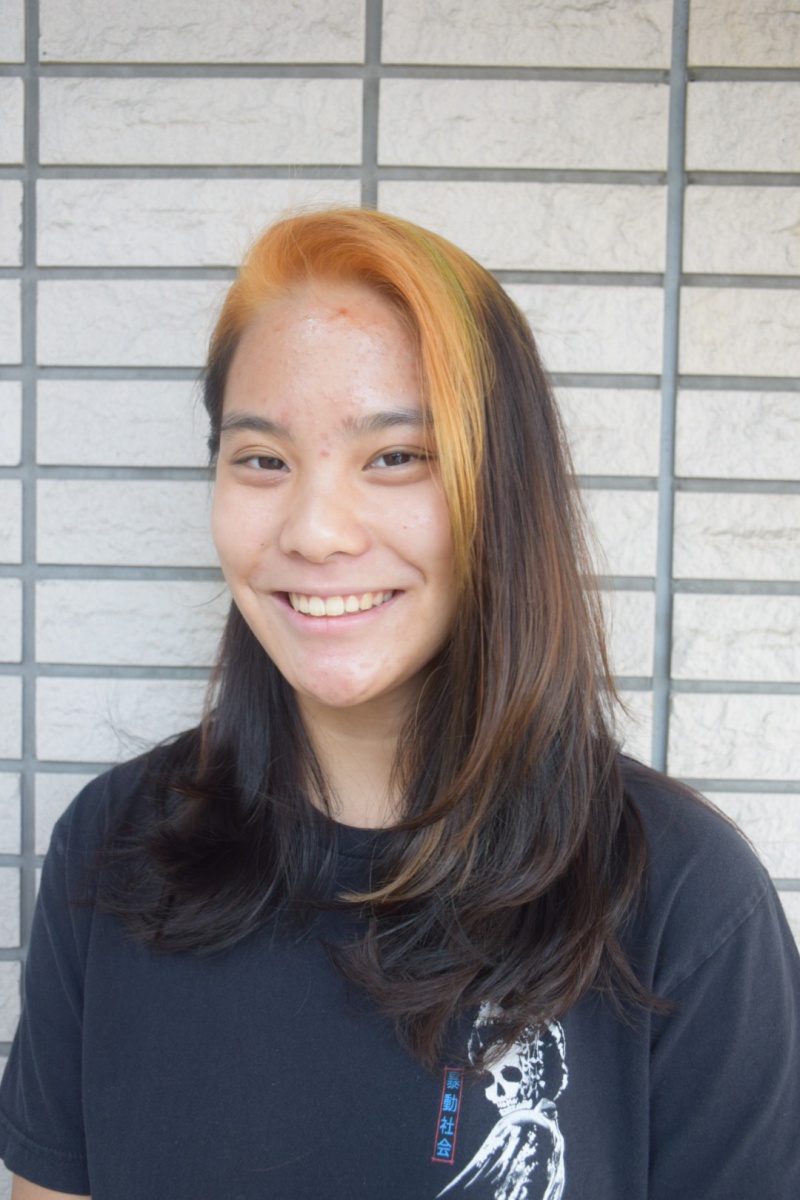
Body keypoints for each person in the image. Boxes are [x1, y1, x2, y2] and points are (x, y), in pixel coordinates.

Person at [1, 208, 798, 1200]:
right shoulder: (112, 849)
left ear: (500, 490)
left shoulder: (680, 899)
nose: (316, 531)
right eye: (262, 459)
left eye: (395, 456)